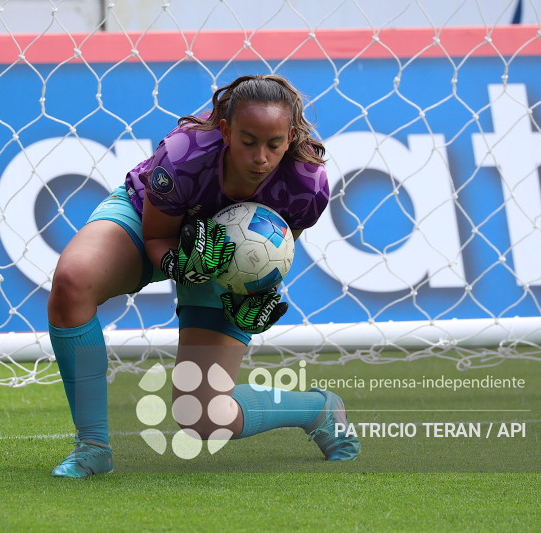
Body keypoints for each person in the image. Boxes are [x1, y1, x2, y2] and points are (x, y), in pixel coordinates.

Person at [47, 74, 360, 478]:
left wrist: (252, 292)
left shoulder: (307, 184)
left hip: (228, 260)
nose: (261, 158)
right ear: (226, 131)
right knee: (72, 281)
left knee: (204, 415)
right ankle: (92, 448)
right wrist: (178, 265)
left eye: (274, 144)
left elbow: (277, 250)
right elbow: (157, 236)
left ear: (291, 137)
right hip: (151, 224)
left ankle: (317, 409)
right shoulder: (183, 154)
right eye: (248, 141)